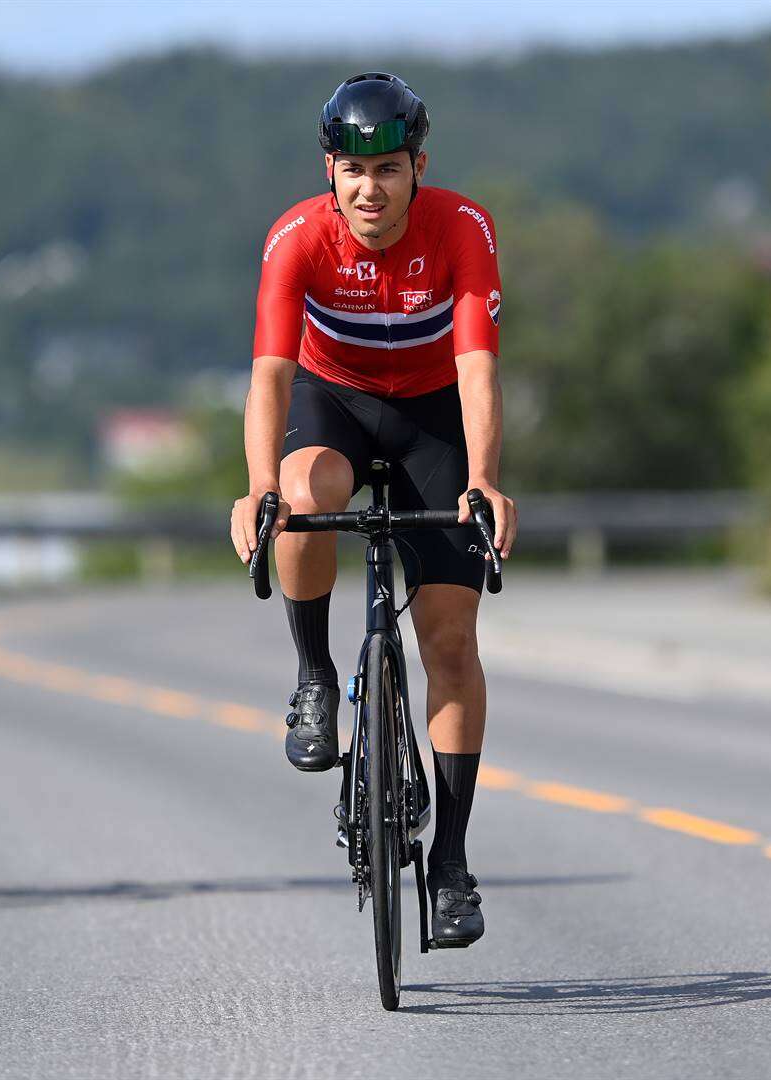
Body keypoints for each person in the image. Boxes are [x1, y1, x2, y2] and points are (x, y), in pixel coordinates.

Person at [231, 72, 517, 947]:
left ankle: (453, 862)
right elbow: (271, 378)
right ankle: (316, 675)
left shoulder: (461, 228)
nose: (370, 189)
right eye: (353, 173)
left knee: (452, 642)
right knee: (303, 494)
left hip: (433, 410)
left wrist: (485, 478)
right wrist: (256, 487)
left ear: (417, 167)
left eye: (389, 170)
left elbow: (477, 368)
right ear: (330, 170)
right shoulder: (296, 239)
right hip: (337, 401)